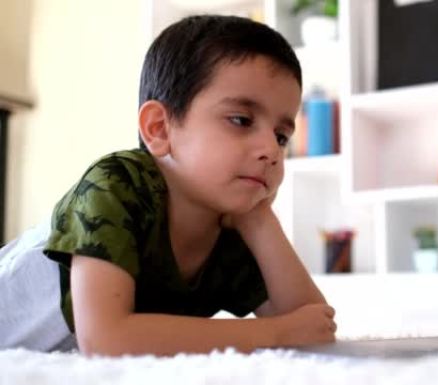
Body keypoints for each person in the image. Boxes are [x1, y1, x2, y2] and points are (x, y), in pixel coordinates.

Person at [0, 15, 336, 356]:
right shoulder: (116, 184)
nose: (270, 150)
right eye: (241, 120)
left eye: (281, 136)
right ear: (159, 128)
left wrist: (260, 219)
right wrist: (273, 333)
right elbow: (105, 338)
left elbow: (313, 326)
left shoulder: (232, 226)